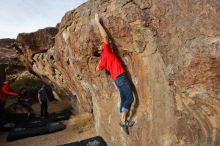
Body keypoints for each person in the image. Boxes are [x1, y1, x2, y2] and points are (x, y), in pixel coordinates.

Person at [94, 13, 135, 134]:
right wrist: (98, 22)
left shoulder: (102, 59)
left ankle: (123, 118)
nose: (101, 44)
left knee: (123, 98)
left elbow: (97, 68)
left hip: (116, 79)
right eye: (99, 45)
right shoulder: (105, 52)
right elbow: (105, 36)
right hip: (121, 77)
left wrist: (99, 63)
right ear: (99, 50)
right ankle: (123, 121)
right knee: (130, 98)